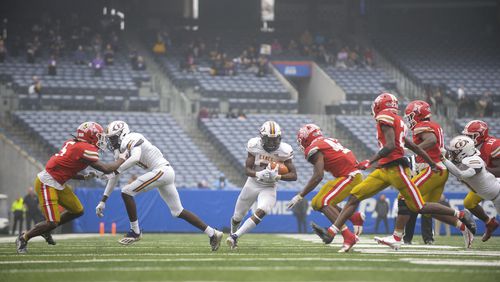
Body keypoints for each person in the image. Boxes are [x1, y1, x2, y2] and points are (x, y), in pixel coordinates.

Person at [312, 93, 476, 252]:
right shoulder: (399, 122)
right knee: (355, 196)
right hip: (384, 169)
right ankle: (333, 233)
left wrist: (371, 160)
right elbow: (414, 146)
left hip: (396, 169)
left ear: (380, 105)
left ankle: (460, 214)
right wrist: (432, 163)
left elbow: (390, 145)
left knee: (418, 206)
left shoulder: (384, 116)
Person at [95, 121, 223, 251]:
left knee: (126, 192)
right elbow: (115, 176)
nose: (111, 141)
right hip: (165, 172)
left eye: (113, 137)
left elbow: (134, 158)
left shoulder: (131, 137)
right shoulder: (121, 149)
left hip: (161, 171)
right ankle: (213, 233)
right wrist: (103, 200)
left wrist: (115, 171)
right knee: (177, 211)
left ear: (121, 134)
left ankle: (135, 231)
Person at [376, 100, 475, 249]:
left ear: (417, 114)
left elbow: (431, 140)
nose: (409, 119)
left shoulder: (422, 126)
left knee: (404, 195)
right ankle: (462, 226)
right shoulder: (434, 125)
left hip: (433, 169)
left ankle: (397, 237)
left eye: (410, 115)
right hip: (440, 171)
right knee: (427, 209)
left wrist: (416, 149)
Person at [16, 122, 126, 254]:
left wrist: (83, 177)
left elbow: (67, 170)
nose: (101, 139)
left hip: (58, 182)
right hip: (47, 183)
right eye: (99, 136)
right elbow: (106, 169)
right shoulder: (84, 148)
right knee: (52, 222)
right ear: (91, 136)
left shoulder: (73, 144)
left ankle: (46, 230)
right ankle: (24, 237)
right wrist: (122, 159)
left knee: (77, 210)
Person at [288, 124, 364, 251]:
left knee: (324, 201)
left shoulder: (314, 148)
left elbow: (318, 176)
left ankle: (348, 236)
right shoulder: (327, 141)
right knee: (316, 203)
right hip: (347, 175)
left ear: (306, 138)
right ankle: (353, 217)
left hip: (350, 176)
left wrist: (300, 195)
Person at [226, 121, 297, 249]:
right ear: (261, 137)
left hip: (269, 186)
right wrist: (259, 174)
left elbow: (294, 175)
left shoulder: (285, 150)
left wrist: (278, 176)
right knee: (237, 216)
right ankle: (233, 233)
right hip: (252, 183)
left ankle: (235, 237)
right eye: (269, 140)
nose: (272, 143)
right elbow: (247, 170)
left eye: (275, 140)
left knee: (263, 210)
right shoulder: (254, 145)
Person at [442, 135, 500, 220]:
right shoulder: (465, 160)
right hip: (495, 197)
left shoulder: (474, 160)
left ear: (463, 152)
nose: (452, 155)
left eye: (454, 152)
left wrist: (443, 160)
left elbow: (461, 174)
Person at [461, 120, 500, 241]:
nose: (466, 139)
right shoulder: (469, 150)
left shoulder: (492, 145)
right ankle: (490, 223)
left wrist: (484, 169)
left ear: (480, 135)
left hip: (496, 181)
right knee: (468, 203)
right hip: (487, 182)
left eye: (470, 136)